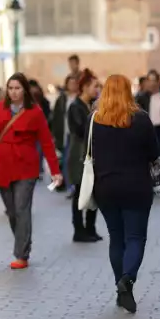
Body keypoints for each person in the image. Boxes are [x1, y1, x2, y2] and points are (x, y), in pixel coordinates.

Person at [87, 75, 159, 314]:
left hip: (106, 188)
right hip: (137, 187)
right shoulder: (141, 119)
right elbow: (153, 154)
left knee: (116, 237)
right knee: (136, 238)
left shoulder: (94, 120)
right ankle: (126, 281)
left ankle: (121, 288)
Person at [0, 73, 62, 269]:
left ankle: (21, 253)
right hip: (3, 166)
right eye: (10, 88)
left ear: (25, 90)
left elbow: (46, 142)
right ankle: (22, 243)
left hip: (26, 166)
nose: (14, 92)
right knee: (11, 211)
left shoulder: (34, 111)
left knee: (22, 209)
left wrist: (55, 170)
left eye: (17, 88)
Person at [67, 69, 102, 242]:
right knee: (81, 192)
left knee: (94, 191)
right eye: (95, 86)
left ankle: (91, 228)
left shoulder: (90, 106)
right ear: (85, 87)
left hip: (90, 154)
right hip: (78, 155)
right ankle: (79, 230)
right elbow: (82, 130)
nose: (98, 90)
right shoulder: (75, 107)